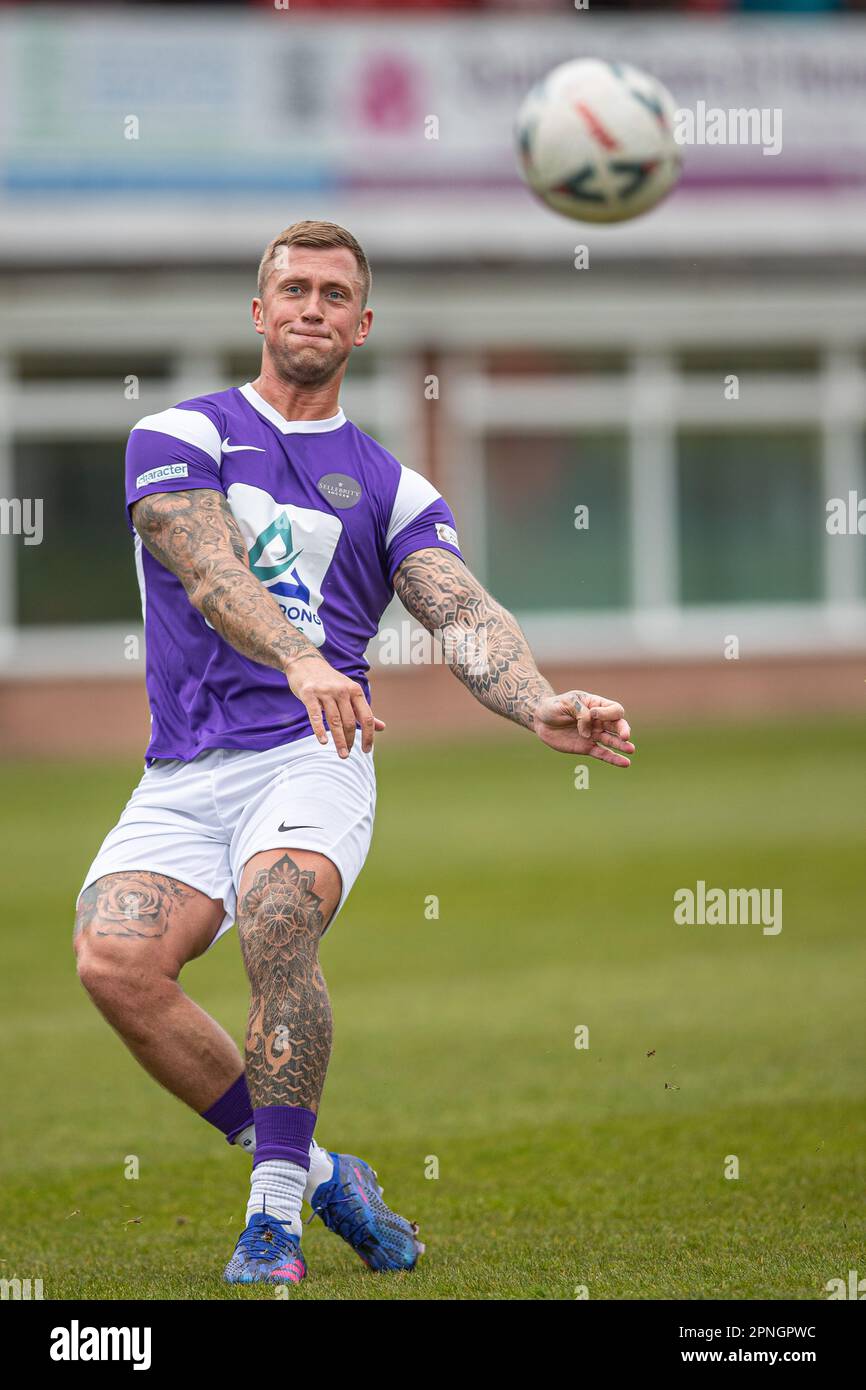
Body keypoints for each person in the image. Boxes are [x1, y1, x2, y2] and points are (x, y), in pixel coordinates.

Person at [74, 219, 635, 1285]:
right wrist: (297, 651)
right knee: (114, 962)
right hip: (187, 766)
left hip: (313, 750)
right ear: (258, 311)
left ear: (361, 325)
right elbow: (210, 571)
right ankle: (329, 1173)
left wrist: (534, 702)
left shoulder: (393, 487)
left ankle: (273, 1222)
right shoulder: (178, 435)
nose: (312, 307)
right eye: (293, 288)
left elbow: (459, 610)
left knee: (278, 917)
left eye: (335, 293)